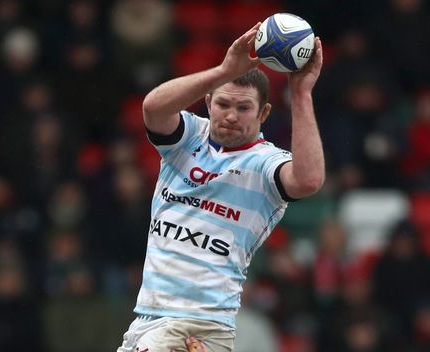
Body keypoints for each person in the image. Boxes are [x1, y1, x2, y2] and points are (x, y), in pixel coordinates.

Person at [116, 22, 326, 352]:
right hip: (148, 318)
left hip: (198, 325)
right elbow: (153, 109)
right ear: (209, 100)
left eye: (243, 108)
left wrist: (300, 93)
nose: (230, 115)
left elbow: (308, 181)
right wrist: (224, 70)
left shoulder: (265, 163)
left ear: (264, 113)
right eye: (223, 104)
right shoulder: (188, 136)